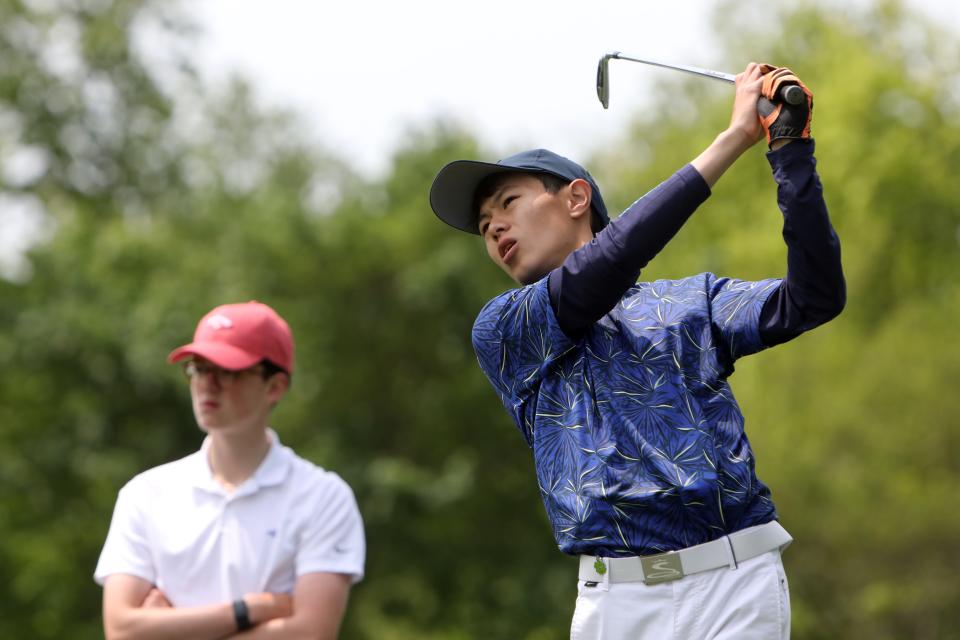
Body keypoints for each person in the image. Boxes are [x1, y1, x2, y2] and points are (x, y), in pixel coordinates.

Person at [428, 63, 844, 639]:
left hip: (734, 580)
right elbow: (608, 264)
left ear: (576, 198)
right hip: (614, 603)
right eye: (482, 225)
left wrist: (790, 152)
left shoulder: (691, 302)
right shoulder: (504, 330)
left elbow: (813, 299)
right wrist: (733, 140)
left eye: (507, 202)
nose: (493, 228)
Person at [94, 301, 365, 640]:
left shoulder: (323, 497)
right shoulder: (145, 494)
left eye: (228, 371)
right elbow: (121, 630)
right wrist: (247, 610)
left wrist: (169, 631)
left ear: (275, 387)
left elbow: (310, 633)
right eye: (199, 368)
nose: (207, 384)